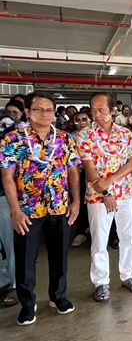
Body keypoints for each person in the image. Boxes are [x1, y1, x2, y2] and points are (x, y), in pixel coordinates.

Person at [0, 92, 81, 326]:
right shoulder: (13, 139)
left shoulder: (64, 138)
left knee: (59, 256)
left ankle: (58, 296)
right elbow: (7, 176)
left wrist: (76, 201)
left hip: (59, 206)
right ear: (27, 112)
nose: (44, 114)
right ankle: (27, 304)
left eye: (49, 110)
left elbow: (73, 170)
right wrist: (15, 210)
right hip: (27, 209)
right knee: (25, 258)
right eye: (38, 109)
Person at [76, 94, 132, 302]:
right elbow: (89, 168)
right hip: (98, 196)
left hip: (125, 192)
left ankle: (128, 275)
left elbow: (131, 164)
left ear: (113, 111)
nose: (96, 114)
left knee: (127, 237)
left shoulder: (125, 133)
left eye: (101, 110)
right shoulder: (84, 135)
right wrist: (104, 192)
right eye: (93, 110)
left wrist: (111, 180)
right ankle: (101, 282)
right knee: (99, 240)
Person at [0, 110, 17, 308]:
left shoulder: (5, 122)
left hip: (3, 194)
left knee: (10, 243)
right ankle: (3, 281)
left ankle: (14, 284)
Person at [71, 110, 93, 247]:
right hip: (78, 174)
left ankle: (112, 235)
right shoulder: (70, 137)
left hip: (97, 174)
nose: (81, 123)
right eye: (77, 120)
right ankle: (81, 232)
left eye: (84, 119)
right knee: (80, 201)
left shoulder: (96, 135)